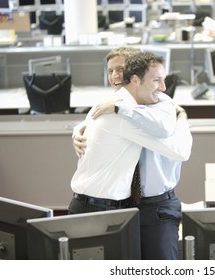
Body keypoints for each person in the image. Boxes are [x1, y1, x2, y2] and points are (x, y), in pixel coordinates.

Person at [71, 50, 192, 259]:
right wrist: (78, 130)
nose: (117, 76)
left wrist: (181, 114)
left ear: (134, 75)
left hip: (155, 205)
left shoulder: (155, 105)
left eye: (121, 69)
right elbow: (94, 122)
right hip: (110, 207)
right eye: (111, 71)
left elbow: (176, 143)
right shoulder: (112, 108)